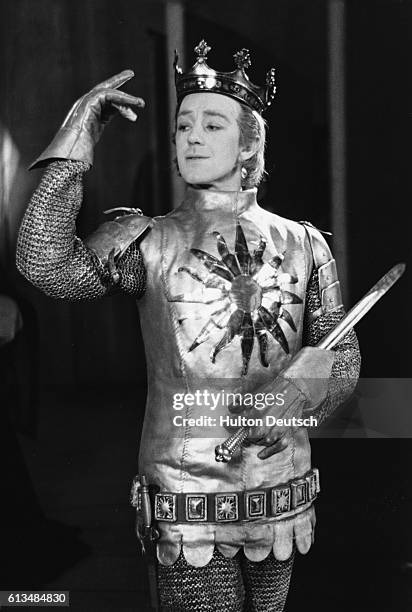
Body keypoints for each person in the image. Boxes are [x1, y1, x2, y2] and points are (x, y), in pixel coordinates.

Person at [17, 41, 360, 612]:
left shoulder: (303, 243)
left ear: (251, 142)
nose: (192, 137)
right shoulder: (148, 240)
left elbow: (342, 360)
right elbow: (45, 264)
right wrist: (75, 141)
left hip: (278, 481)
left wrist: (302, 394)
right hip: (185, 493)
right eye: (183, 125)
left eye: (213, 123)